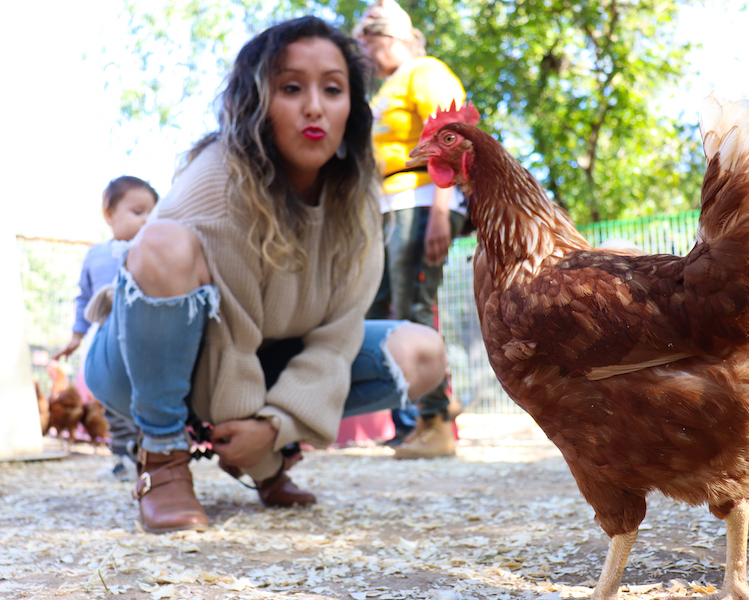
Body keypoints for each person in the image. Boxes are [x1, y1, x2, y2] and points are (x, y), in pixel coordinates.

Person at [83, 16, 449, 534]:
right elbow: (228, 342)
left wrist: (274, 429)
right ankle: (162, 456)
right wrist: (261, 459)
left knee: (422, 352)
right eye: (292, 88)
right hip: (146, 360)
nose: (315, 106)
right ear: (258, 103)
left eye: (333, 89)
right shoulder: (218, 178)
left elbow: (337, 337)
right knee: (163, 244)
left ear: (352, 108)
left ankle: (271, 451)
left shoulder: (361, 194)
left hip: (261, 356)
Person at [353, 0, 467, 458]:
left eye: (368, 44)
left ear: (392, 38)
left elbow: (453, 133)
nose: (364, 54)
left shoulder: (425, 70)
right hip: (387, 207)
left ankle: (437, 423)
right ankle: (430, 411)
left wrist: (442, 210)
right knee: (380, 311)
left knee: (412, 307)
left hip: (422, 200)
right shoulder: (384, 89)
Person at [54, 176, 158, 479]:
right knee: (113, 402)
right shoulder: (96, 255)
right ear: (109, 214)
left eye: (153, 213)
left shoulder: (158, 250)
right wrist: (76, 337)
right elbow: (84, 298)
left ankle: (154, 456)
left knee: (147, 400)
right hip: (108, 344)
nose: (147, 220)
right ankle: (123, 458)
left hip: (145, 342)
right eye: (138, 212)